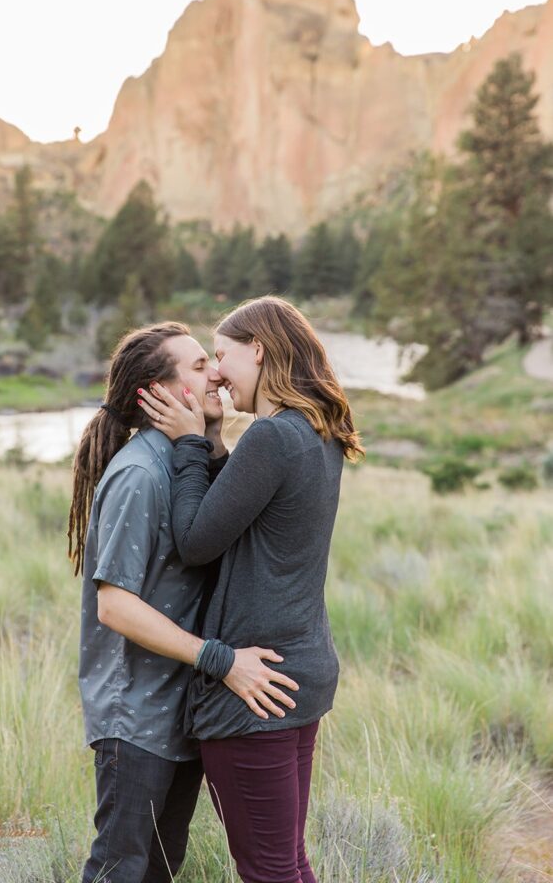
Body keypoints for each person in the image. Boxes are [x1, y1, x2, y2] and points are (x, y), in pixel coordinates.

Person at [137, 296, 365, 883]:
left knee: (270, 871)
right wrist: (212, 440)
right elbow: (241, 507)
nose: (215, 371)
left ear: (258, 350)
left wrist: (188, 443)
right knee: (286, 864)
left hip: (252, 689)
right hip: (301, 672)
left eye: (222, 355)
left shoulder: (270, 438)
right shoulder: (316, 432)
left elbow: (195, 539)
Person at [67, 321, 300, 883]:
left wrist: (211, 439)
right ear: (160, 392)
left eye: (212, 360)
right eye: (199, 366)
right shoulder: (140, 474)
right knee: (120, 868)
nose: (216, 372)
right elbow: (115, 606)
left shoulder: (182, 461)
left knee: (161, 865)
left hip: (179, 710)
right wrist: (222, 661)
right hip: (136, 716)